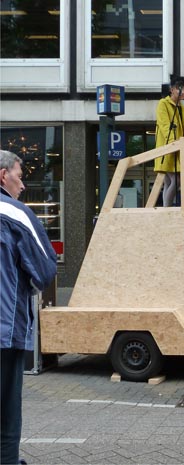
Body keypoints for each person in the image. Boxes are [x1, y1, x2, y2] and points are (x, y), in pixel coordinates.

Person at [1, 150, 57, 465]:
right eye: (20, 177)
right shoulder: (15, 214)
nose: (23, 186)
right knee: (6, 411)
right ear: (3, 175)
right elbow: (45, 270)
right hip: (4, 331)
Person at [154, 74, 184, 207]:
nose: (183, 92)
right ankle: (166, 209)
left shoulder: (182, 108)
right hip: (168, 148)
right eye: (180, 89)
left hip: (178, 149)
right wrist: (174, 143)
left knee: (169, 182)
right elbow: (165, 125)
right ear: (172, 89)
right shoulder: (163, 104)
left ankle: (165, 209)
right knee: (176, 180)